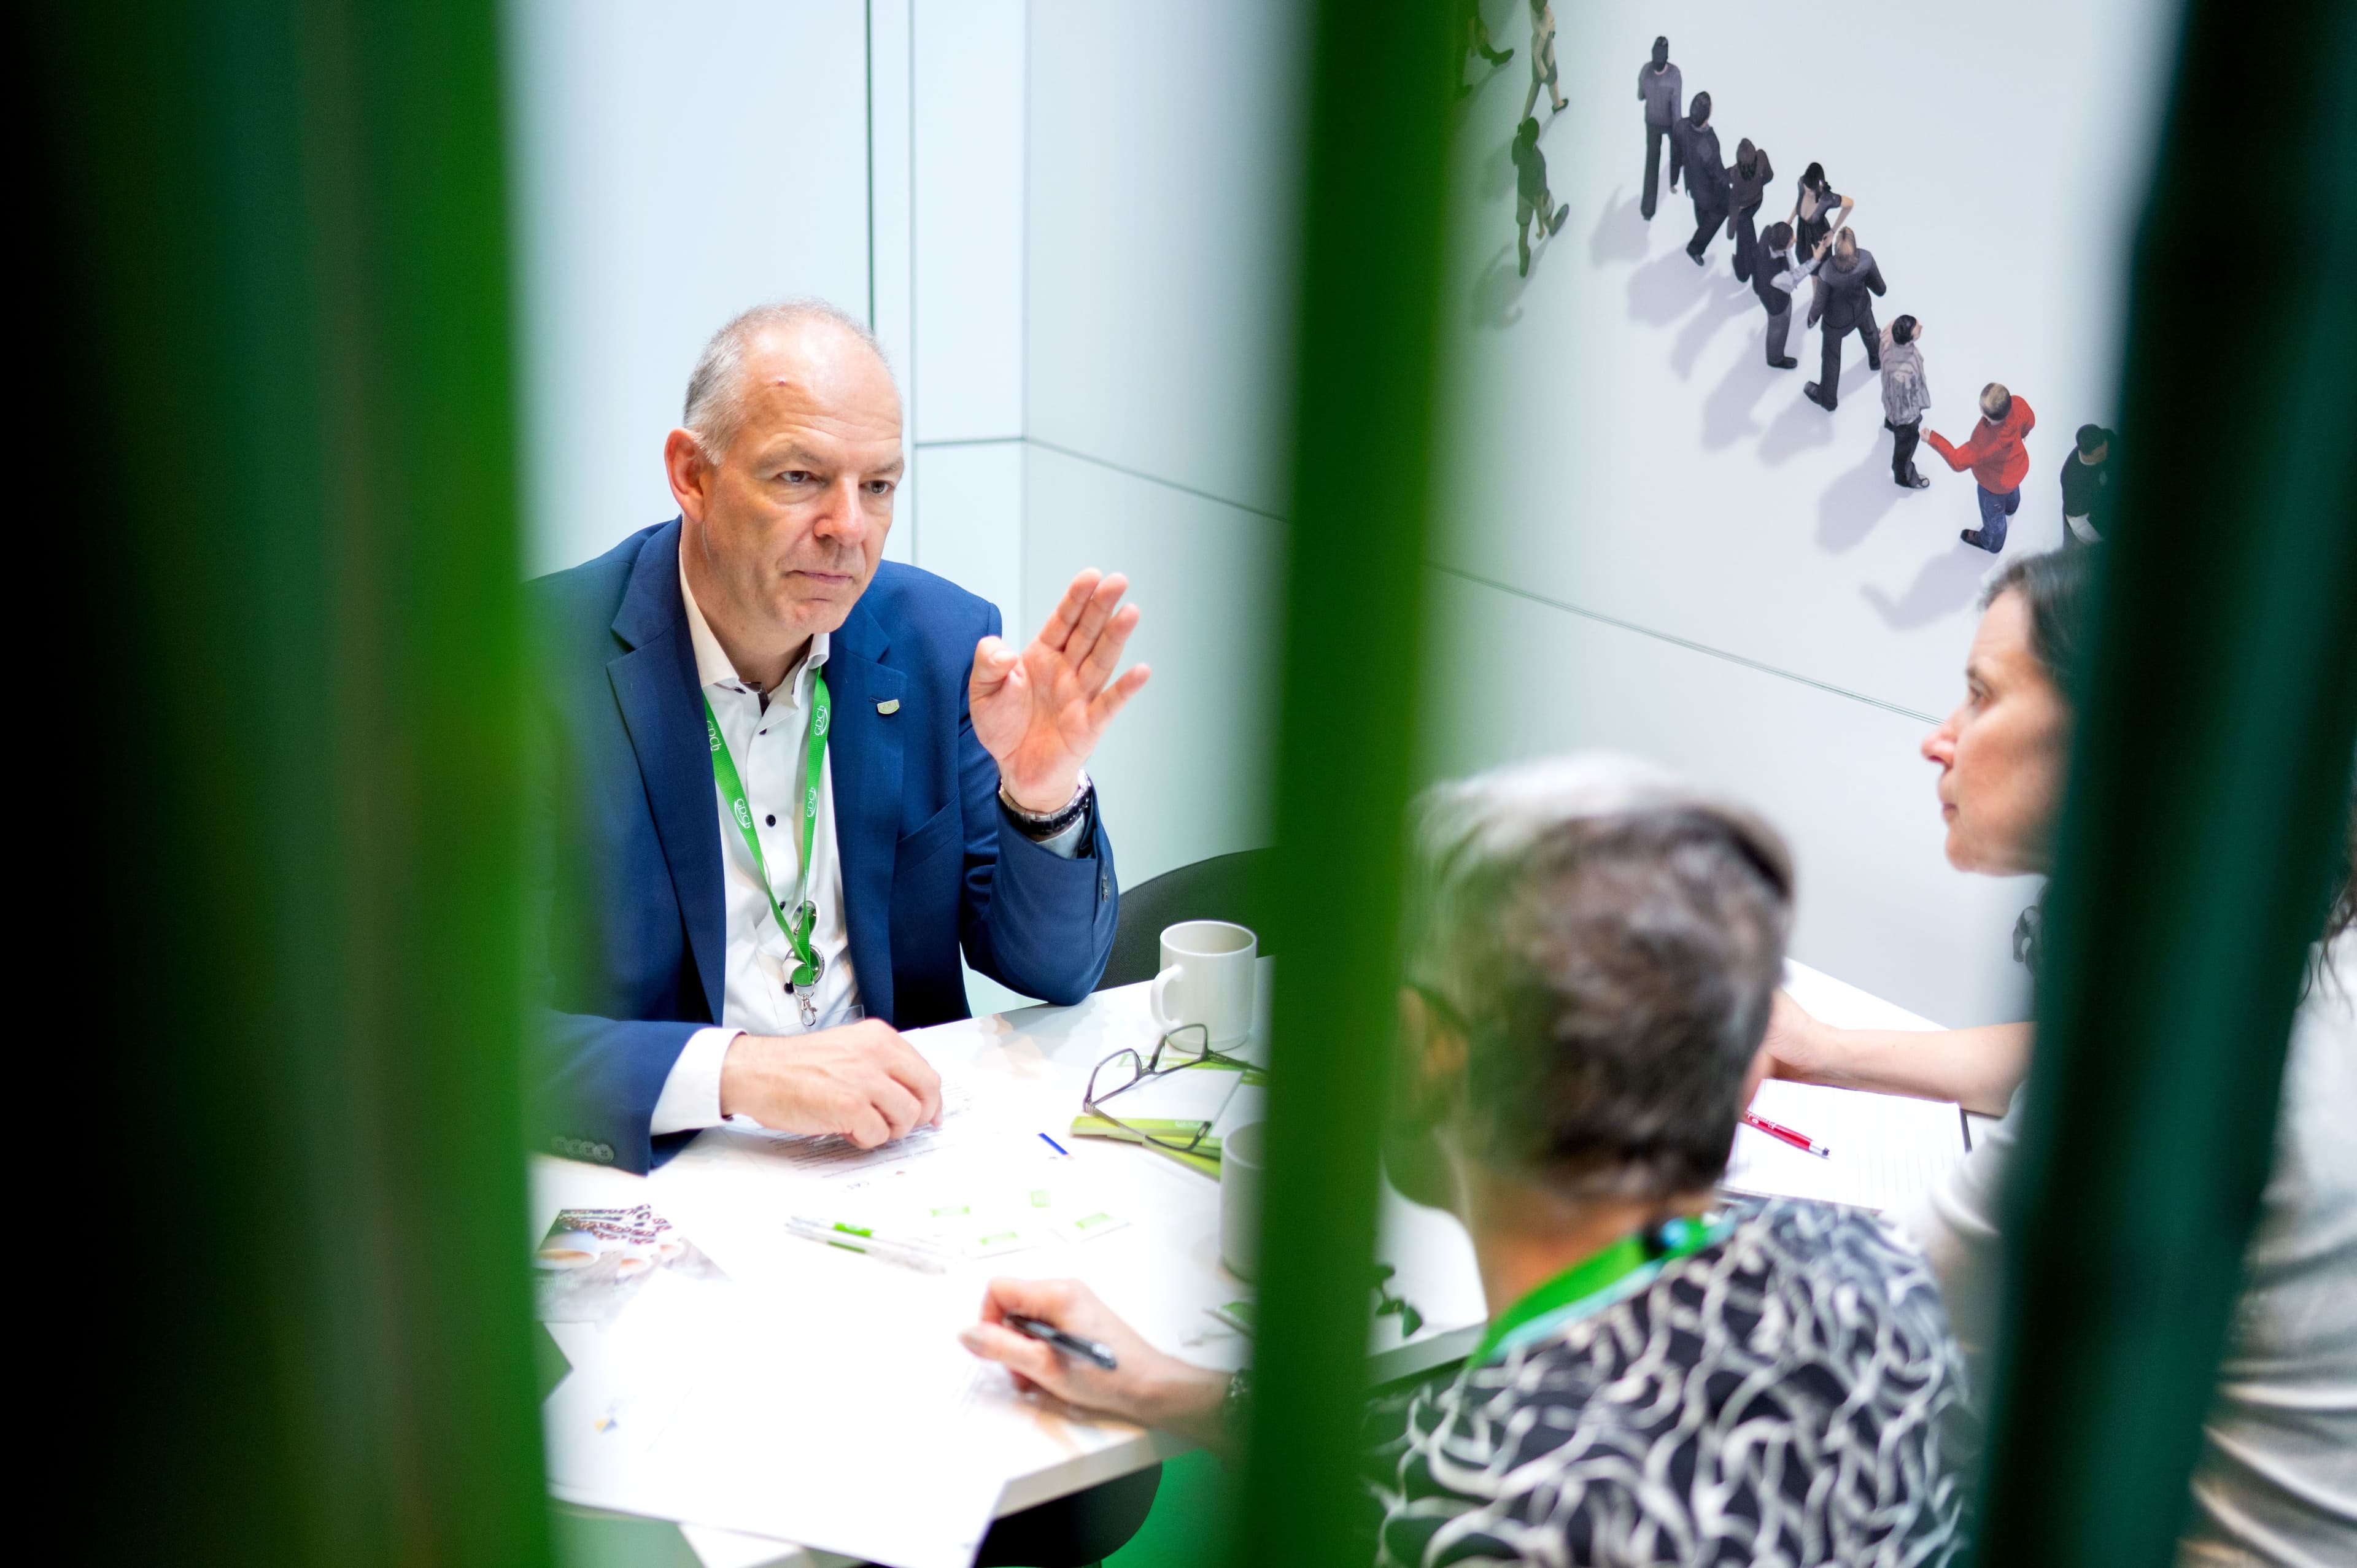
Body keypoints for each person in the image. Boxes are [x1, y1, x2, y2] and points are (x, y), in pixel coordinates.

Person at [961, 757, 1973, 1566]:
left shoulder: (1484, 1520)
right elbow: (1418, 1451)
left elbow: (1457, 1479)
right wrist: (1167, 1388)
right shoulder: (1864, 1269)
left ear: (1424, 1047)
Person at [1765, 549, 2357, 1564]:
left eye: (1980, 695)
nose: (1937, 740)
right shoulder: (2310, 963)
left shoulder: (2173, 1098)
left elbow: (1845, 1321)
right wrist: (1827, 1051)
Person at [530, 301, 1148, 1175]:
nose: (847, 528)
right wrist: (743, 1070)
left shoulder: (941, 641)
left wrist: (1041, 795)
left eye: (879, 486)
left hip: (901, 1157)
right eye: (799, 478)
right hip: (675, 1169)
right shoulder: (537, 665)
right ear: (692, 475)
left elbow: (1053, 969)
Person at [1928, 384, 2036, 553]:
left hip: (1994, 486)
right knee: (2013, 490)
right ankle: (2012, 507)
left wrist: (1933, 439)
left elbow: (1957, 461)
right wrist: (2022, 434)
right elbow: (2030, 420)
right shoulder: (2018, 403)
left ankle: (1992, 543)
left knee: (1993, 518)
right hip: (2018, 467)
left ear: (1988, 417)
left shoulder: (1984, 441)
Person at [1803, 227, 1886, 411]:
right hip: (1862, 308)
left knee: (1831, 359)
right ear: (1855, 247)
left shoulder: (1826, 272)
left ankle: (1828, 400)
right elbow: (1880, 288)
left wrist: (1812, 318)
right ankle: (1876, 360)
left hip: (1836, 322)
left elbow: (1819, 303)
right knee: (1871, 333)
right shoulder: (1866, 259)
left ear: (1835, 250)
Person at [1751, 220, 1831, 369]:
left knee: (1776, 322)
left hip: (1761, 285)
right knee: (1779, 326)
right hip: (1776, 302)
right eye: (1791, 240)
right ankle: (1775, 359)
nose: (1795, 239)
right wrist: (1816, 258)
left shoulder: (1768, 232)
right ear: (1783, 246)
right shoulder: (1778, 277)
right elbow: (1795, 277)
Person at [1672, 91, 1732, 268]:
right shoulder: (1708, 143)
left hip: (1692, 183)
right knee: (1722, 210)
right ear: (1708, 113)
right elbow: (1719, 175)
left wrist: (1673, 180)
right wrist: (1735, 174)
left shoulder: (1681, 126)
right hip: (1708, 190)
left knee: (1700, 205)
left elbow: (1676, 156)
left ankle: (1702, 221)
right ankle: (1696, 247)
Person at [1511, 115, 1568, 277]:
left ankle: (1523, 262)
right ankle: (1551, 227)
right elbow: (1538, 197)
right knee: (1547, 211)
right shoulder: (1538, 161)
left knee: (1523, 234)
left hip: (1521, 194)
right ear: (1537, 136)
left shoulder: (1517, 143)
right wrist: (1541, 226)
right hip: (1536, 196)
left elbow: (1515, 161)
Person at [1883, 314, 1933, 489]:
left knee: (1891, 413)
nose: (1921, 327)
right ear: (1908, 340)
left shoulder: (1888, 334)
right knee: (1908, 442)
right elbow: (1905, 400)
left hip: (1889, 398)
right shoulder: (1904, 371)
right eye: (1917, 330)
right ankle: (1904, 476)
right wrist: (1912, 416)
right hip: (1904, 415)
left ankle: (1890, 424)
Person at [1636, 36, 1683, 221]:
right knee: (1676, 150)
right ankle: (1674, 179)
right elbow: (1676, 108)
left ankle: (1648, 209)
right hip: (1669, 122)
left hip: (1651, 121)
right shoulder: (1674, 75)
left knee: (1652, 162)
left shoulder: (1645, 71)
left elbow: (1640, 96)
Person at [1727, 137, 1775, 283]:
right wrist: (1758, 185)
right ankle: (1754, 264)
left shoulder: (1736, 176)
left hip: (1743, 211)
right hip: (1757, 201)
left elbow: (1734, 211)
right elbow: (1769, 176)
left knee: (1743, 241)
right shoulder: (1761, 156)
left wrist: (1730, 233)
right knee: (1749, 233)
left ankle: (1743, 272)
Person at [2060, 423, 2116, 546]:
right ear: (2085, 454)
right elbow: (2077, 520)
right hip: (2086, 521)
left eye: (2106, 450)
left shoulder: (2108, 438)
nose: (2106, 456)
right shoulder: (2072, 480)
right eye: (2100, 455)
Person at [1521, 0, 1566, 119]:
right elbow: (1538, 55)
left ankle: (1524, 120)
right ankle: (1557, 104)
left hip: (1534, 45)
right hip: (1545, 57)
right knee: (1552, 80)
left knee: (1536, 84)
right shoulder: (1544, 23)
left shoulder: (1532, 7)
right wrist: (1544, 72)